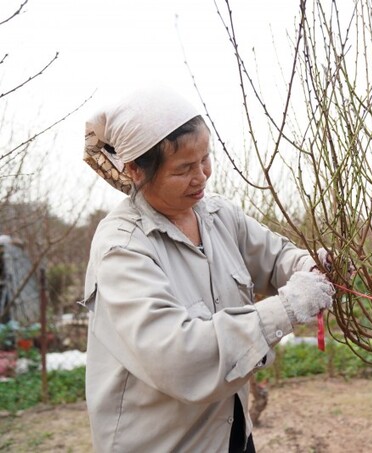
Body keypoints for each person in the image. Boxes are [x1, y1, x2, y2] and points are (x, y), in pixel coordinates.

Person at [80, 84, 336, 452]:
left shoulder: (216, 214)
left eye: (205, 159)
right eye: (184, 168)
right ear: (136, 169)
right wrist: (288, 307)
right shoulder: (122, 249)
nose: (202, 176)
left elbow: (277, 256)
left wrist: (312, 265)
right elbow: (179, 358)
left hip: (229, 432)